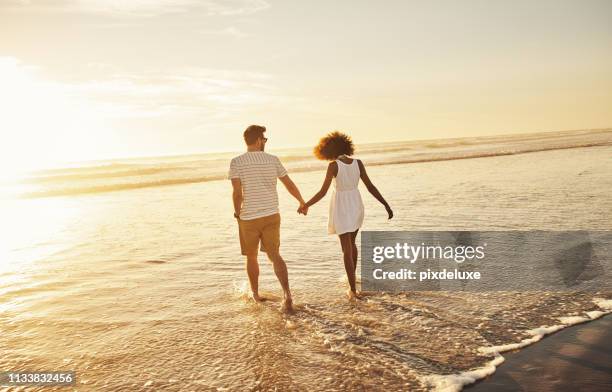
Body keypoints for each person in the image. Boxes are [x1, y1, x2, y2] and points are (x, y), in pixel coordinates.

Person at [299, 131, 393, 300]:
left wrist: (306, 204)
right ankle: (353, 281)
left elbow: (322, 192)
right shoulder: (358, 163)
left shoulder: (333, 166)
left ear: (327, 149)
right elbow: (370, 186)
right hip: (356, 203)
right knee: (351, 245)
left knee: (346, 249)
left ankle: (352, 289)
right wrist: (385, 204)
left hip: (341, 206)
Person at [228, 125, 306, 312]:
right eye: (264, 139)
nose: (265, 142)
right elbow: (288, 183)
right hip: (271, 215)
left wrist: (237, 213)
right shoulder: (272, 160)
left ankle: (256, 294)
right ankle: (287, 294)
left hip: (249, 217)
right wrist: (301, 201)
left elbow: (237, 193)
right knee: (275, 255)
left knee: (252, 257)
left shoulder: (236, 162)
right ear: (257, 140)